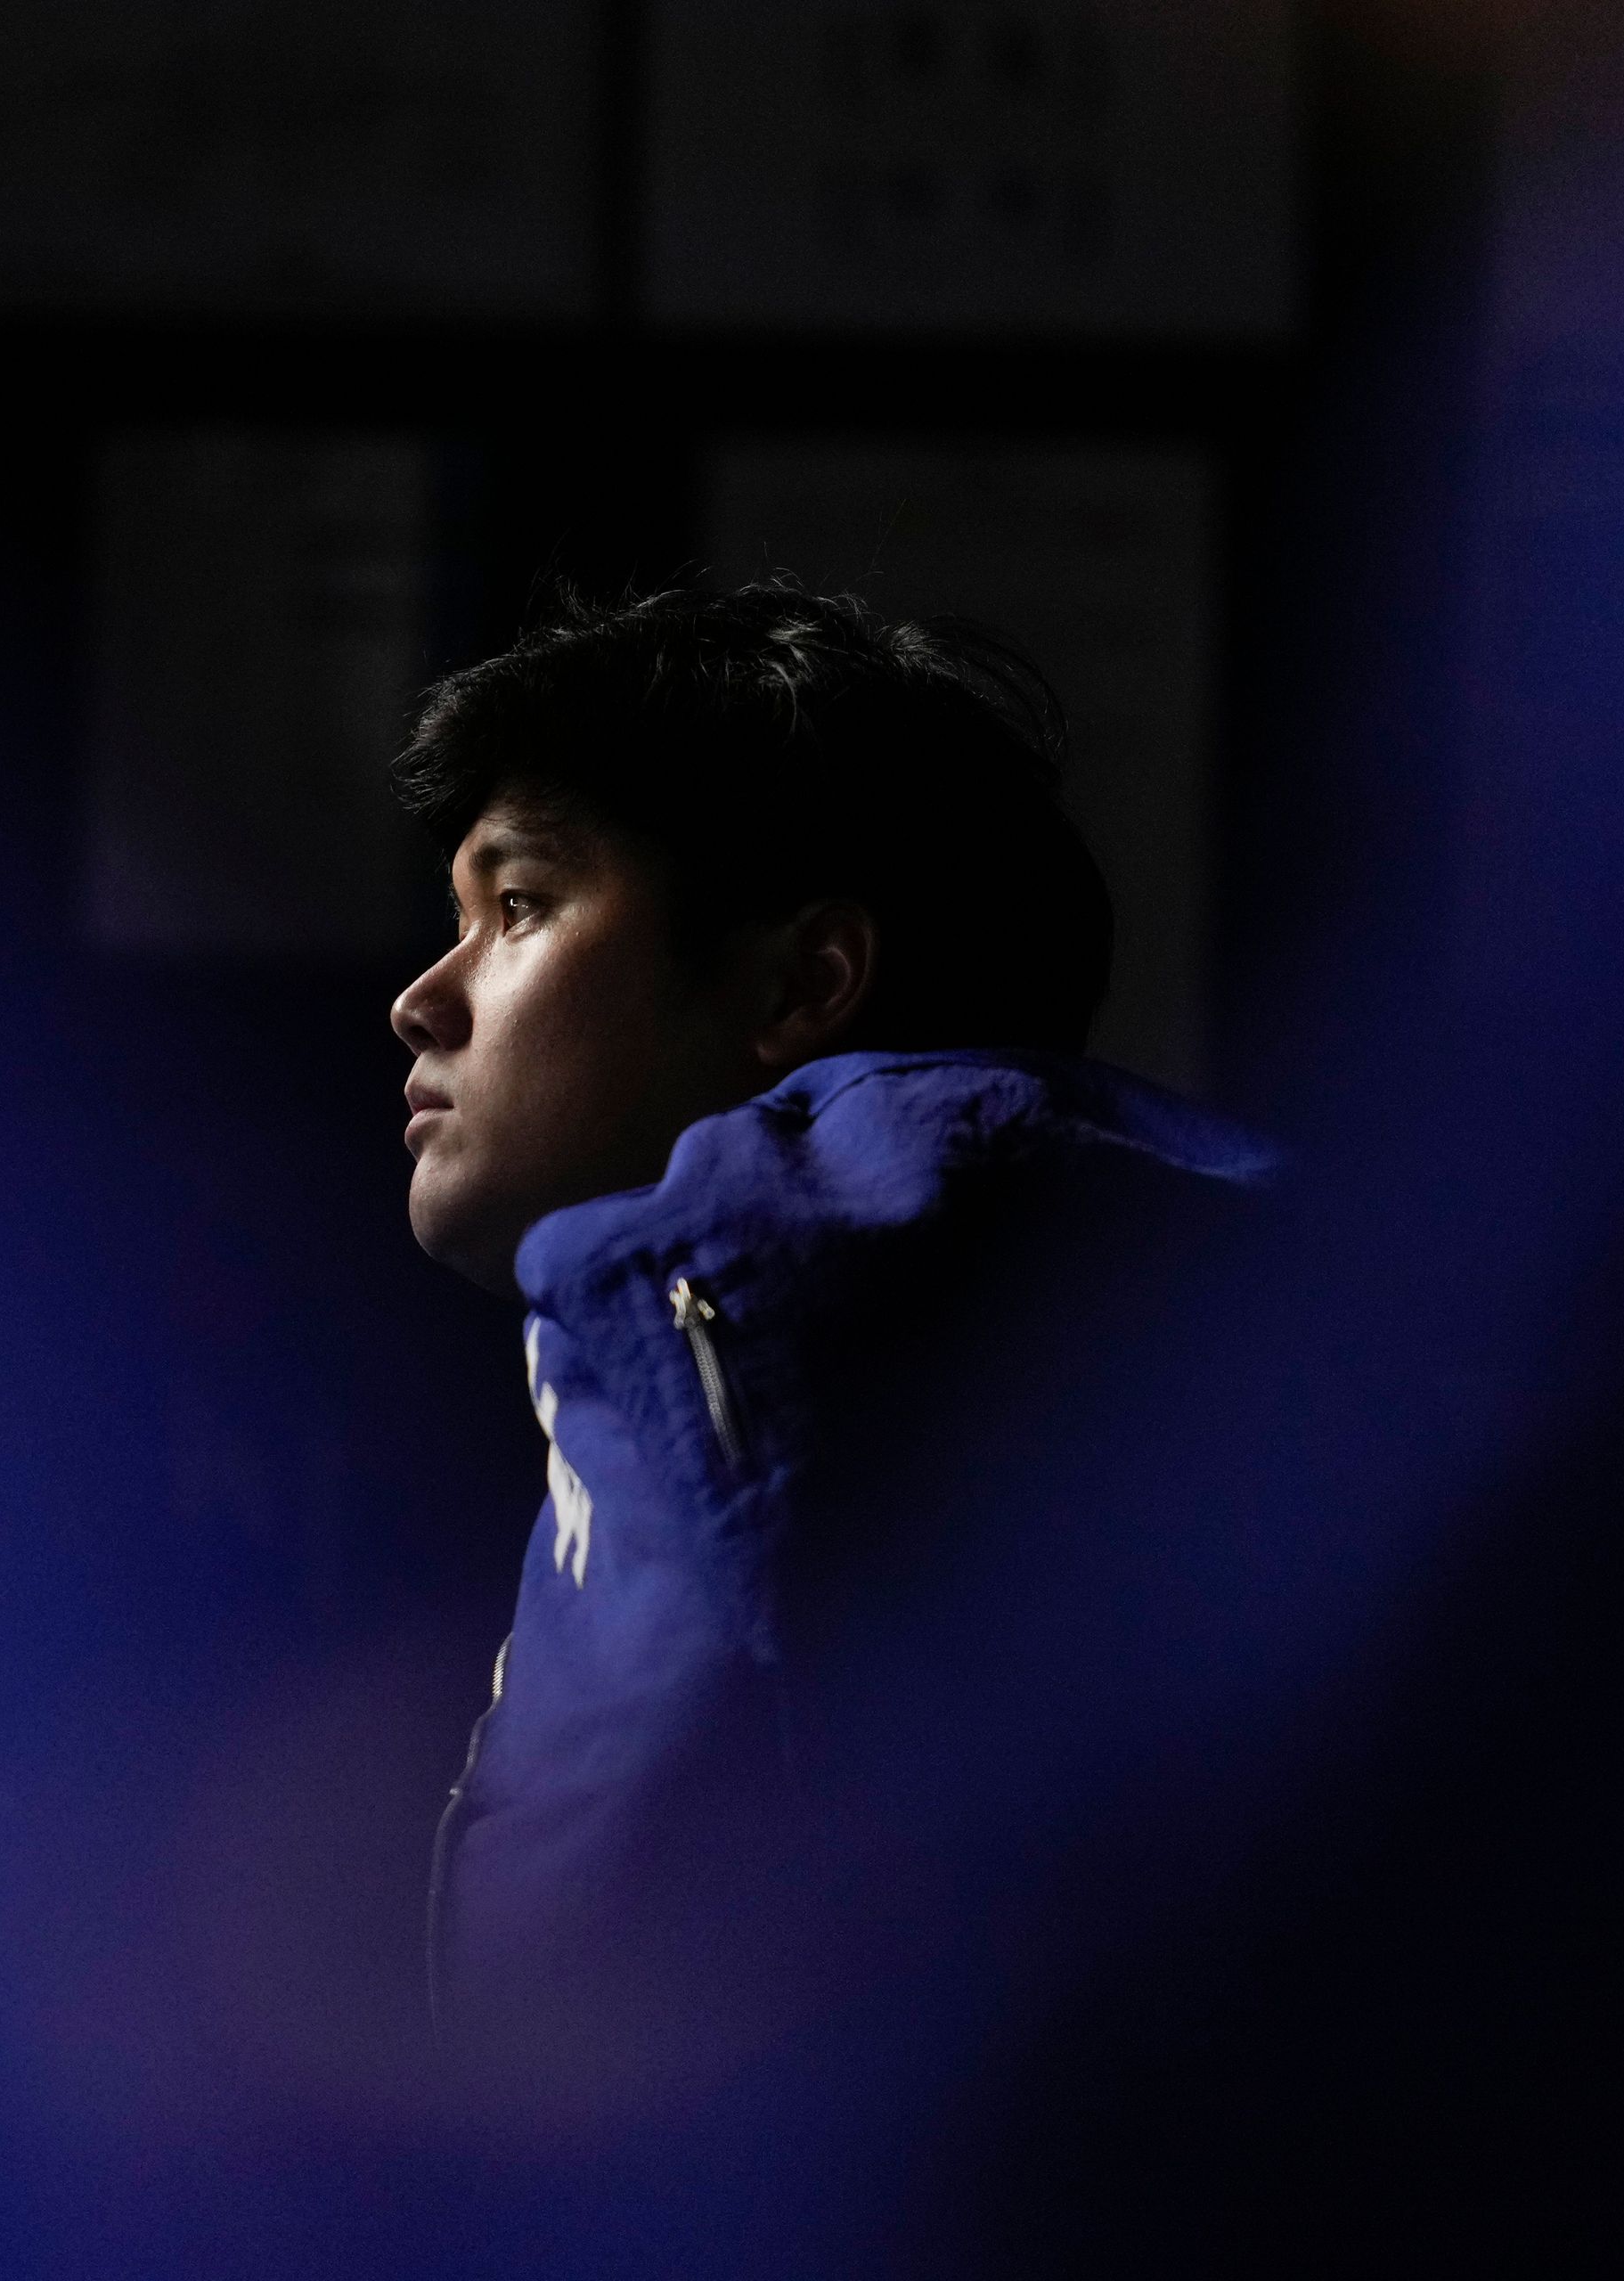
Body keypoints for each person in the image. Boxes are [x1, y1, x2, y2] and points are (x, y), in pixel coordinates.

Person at [388, 581, 1278, 2089]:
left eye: (520, 904)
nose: (424, 999)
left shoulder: (803, 1305)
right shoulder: (712, 1326)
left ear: (803, 984)